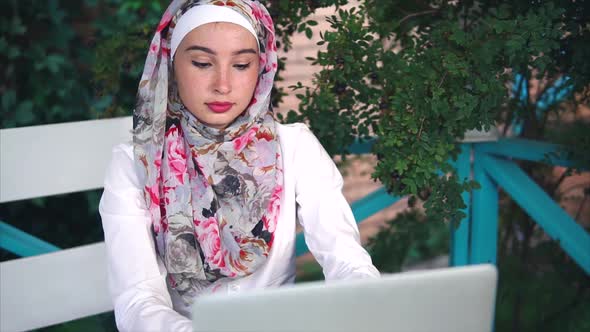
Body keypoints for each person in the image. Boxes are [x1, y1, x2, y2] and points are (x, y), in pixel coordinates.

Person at [99, 0, 380, 331]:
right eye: (202, 63)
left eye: (242, 64)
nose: (223, 84)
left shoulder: (295, 147)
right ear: (172, 66)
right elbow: (138, 302)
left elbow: (347, 262)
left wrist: (362, 306)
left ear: (261, 68)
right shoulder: (135, 165)